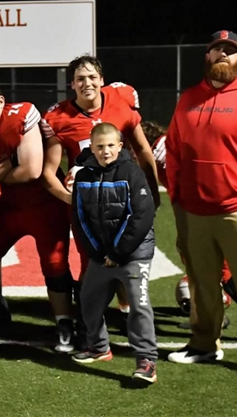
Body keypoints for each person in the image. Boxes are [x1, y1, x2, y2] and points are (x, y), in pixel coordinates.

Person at [166, 30, 237, 381]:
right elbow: (175, 150)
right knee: (202, 282)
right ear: (208, 57)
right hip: (193, 209)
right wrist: (178, 195)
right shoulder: (188, 99)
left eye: (230, 51)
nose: (223, 56)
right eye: (217, 50)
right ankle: (204, 343)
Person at [40, 55, 159, 337]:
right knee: (92, 264)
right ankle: (91, 325)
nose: (87, 83)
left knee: (127, 260)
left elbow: (143, 151)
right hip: (90, 205)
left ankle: (127, 316)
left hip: (124, 200)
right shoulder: (57, 117)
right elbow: (48, 172)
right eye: (80, 79)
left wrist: (152, 194)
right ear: (71, 84)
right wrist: (72, 201)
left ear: (102, 80)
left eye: (92, 77)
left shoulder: (122, 103)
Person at [0, 84, 74, 352]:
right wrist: (10, 163)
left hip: (46, 204)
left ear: (1, 102)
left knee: (55, 265)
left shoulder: (22, 113)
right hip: (10, 203)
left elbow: (33, 171)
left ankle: (65, 325)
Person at [70, 122, 158, 385]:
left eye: (110, 145)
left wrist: (118, 253)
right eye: (99, 146)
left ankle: (146, 360)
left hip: (133, 254)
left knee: (138, 305)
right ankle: (99, 348)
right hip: (102, 255)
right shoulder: (84, 176)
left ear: (120, 146)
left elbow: (141, 216)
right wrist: (97, 252)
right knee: (88, 299)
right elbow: (79, 217)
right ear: (91, 147)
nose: (105, 151)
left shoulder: (132, 172)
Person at [141, 120, 237, 325]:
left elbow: (190, 186)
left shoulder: (162, 154)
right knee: (205, 265)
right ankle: (211, 316)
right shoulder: (164, 148)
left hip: (207, 213)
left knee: (222, 270)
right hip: (209, 211)